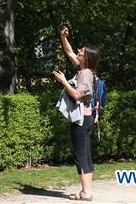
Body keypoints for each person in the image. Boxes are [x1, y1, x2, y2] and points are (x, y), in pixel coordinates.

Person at [53, 26, 100, 202]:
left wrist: (64, 81)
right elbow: (68, 51)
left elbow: (77, 95)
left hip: (81, 119)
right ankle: (85, 191)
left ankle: (86, 192)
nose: (79, 51)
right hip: (85, 119)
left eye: (82, 51)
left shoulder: (86, 74)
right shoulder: (82, 69)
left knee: (80, 155)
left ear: (87, 58)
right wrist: (62, 36)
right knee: (85, 154)